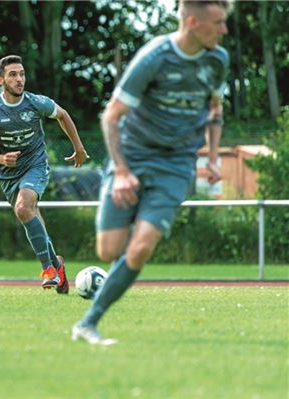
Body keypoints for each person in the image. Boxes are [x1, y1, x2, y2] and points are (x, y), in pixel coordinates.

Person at [72, 0, 231, 345]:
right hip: (131, 157)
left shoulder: (218, 60)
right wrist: (124, 172)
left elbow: (215, 109)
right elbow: (110, 116)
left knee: (142, 247)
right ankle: (130, 224)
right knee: (108, 250)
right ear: (192, 22)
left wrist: (214, 158)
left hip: (176, 166)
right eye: (218, 23)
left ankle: (88, 323)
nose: (224, 30)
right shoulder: (154, 58)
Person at [0, 55, 89, 294]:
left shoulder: (36, 102)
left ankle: (48, 269)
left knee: (23, 207)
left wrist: (78, 147)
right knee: (29, 213)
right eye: (13, 75)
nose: (20, 79)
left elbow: (62, 114)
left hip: (35, 165)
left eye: (22, 74)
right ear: (1, 80)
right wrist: (1, 158)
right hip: (8, 174)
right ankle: (58, 266)